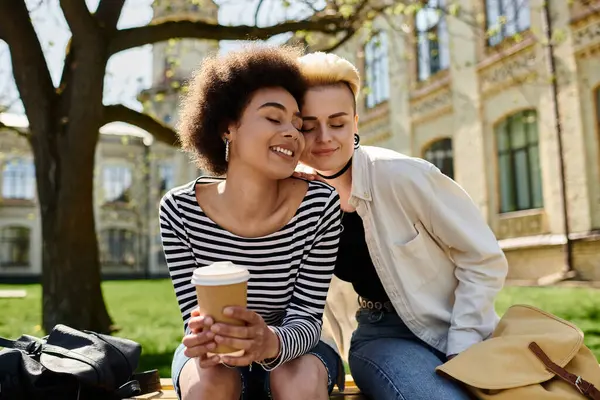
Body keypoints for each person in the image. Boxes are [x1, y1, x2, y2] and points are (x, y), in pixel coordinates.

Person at [295, 52, 509, 400]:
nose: (324, 138)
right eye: (308, 125)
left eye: (337, 123)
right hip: (381, 337)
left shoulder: (405, 176)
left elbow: (482, 258)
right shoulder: (292, 199)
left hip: (459, 324)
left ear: (355, 122)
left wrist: (464, 341)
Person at [159, 45, 342, 400]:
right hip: (220, 358)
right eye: (274, 118)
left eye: (297, 123)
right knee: (209, 385)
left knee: (297, 382)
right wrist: (204, 337)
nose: (292, 132)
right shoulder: (180, 211)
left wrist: (268, 342)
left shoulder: (318, 205)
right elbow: (194, 317)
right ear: (228, 127)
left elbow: (307, 318)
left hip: (298, 348)